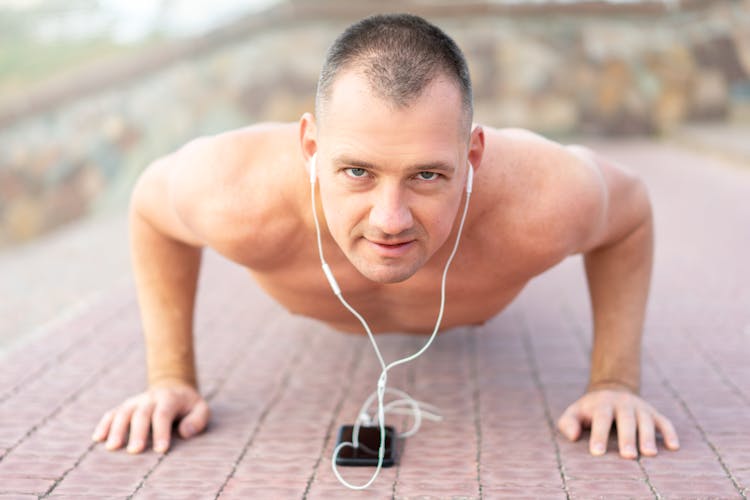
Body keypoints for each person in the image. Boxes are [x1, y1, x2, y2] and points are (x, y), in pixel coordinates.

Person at [92, 13, 680, 461]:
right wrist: (170, 376)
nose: (389, 220)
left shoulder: (546, 199)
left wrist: (615, 381)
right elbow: (149, 207)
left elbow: (629, 216)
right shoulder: (232, 191)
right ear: (311, 149)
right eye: (357, 173)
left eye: (427, 175)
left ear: (472, 155)